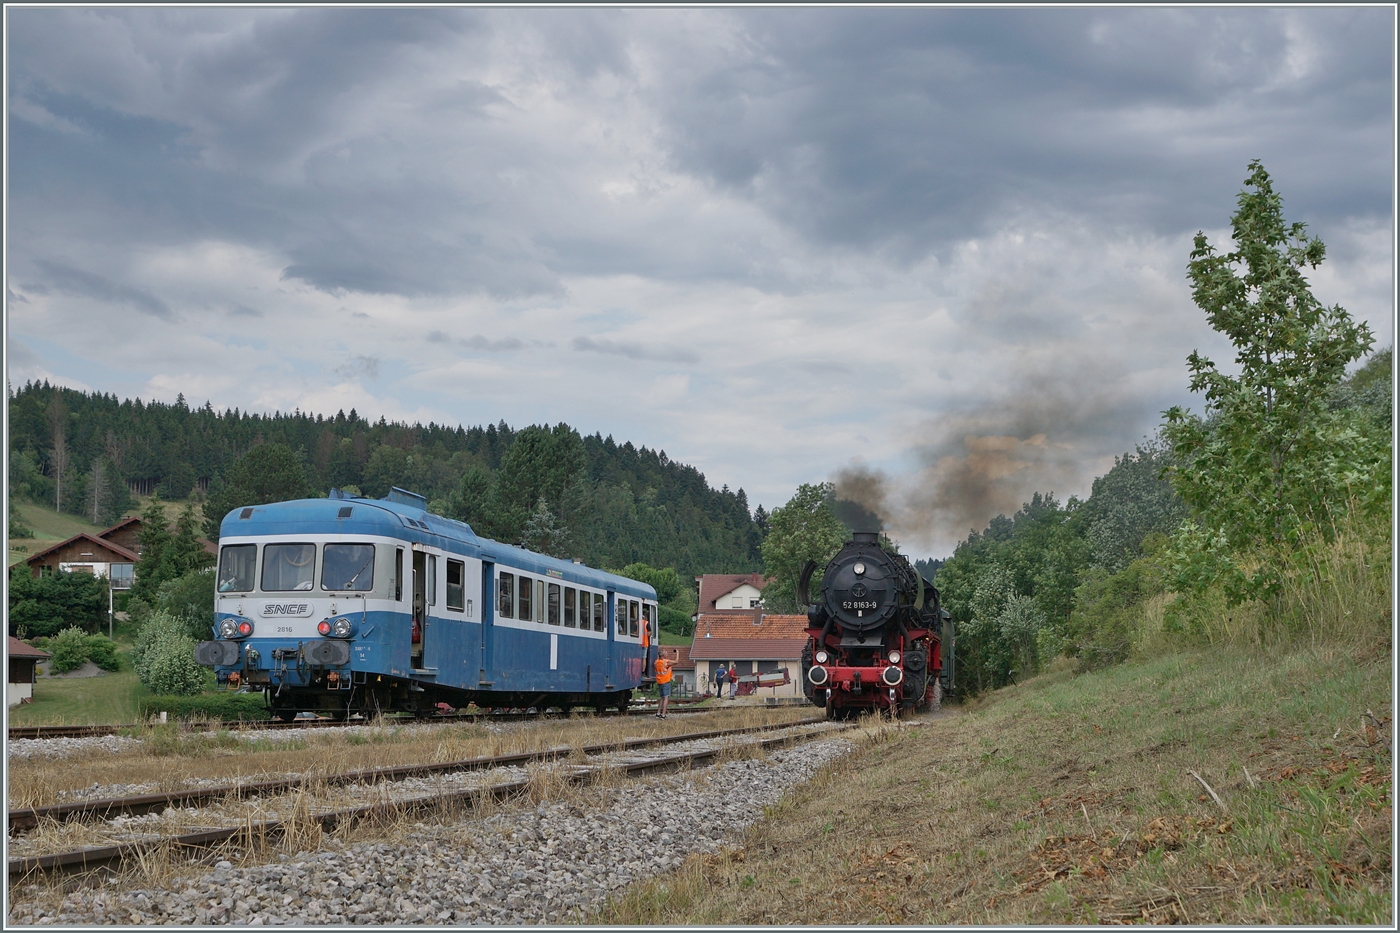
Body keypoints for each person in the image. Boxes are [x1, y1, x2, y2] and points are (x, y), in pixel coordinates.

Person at [654, 654, 675, 718]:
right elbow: (676, 662)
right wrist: (677, 653)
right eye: (666, 653)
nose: (667, 654)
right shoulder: (665, 662)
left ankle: (658, 713)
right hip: (665, 681)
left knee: (662, 697)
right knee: (666, 697)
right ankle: (663, 714)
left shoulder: (656, 662)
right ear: (663, 655)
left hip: (659, 681)